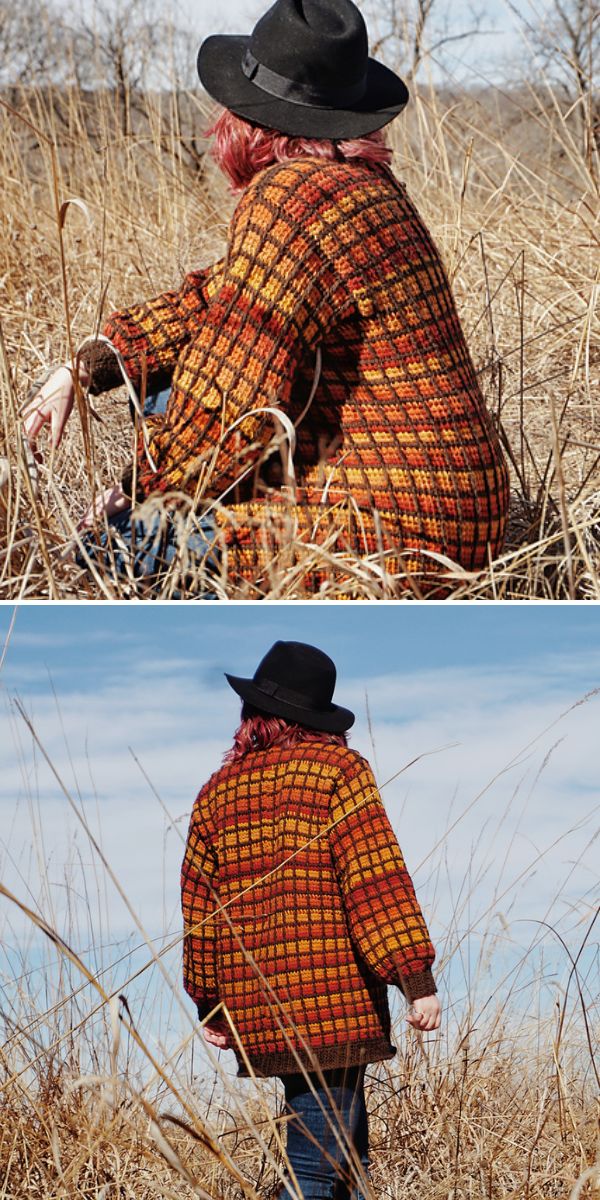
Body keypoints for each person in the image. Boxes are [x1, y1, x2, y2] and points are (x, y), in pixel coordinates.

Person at [23, 0, 509, 598]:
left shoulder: (292, 195)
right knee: (166, 385)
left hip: (389, 528)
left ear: (245, 121)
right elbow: (217, 301)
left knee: (109, 550)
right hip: (463, 512)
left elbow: (229, 403)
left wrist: (144, 491)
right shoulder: (364, 187)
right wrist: (89, 363)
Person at [181, 640, 441, 1197]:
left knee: (348, 1169)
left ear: (254, 714)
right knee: (317, 1171)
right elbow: (374, 879)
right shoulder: (339, 771)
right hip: (333, 1005)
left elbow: (201, 912)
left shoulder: (215, 794)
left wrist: (212, 1003)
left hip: (258, 1008)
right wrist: (414, 978)